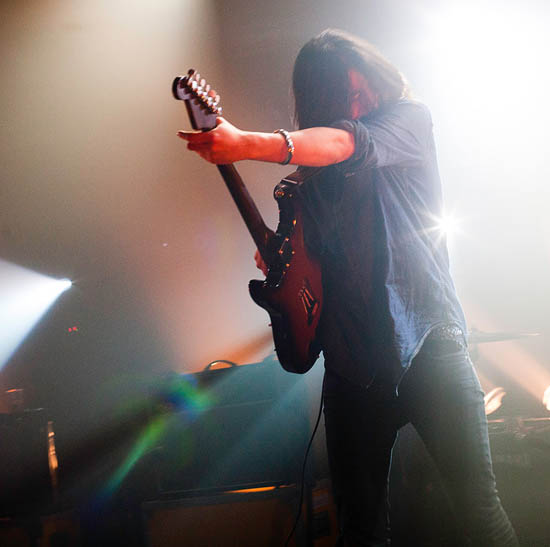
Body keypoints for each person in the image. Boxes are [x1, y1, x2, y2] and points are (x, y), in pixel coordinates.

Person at [178, 29, 518, 547]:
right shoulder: (309, 182)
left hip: (430, 345)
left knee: (479, 514)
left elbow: (345, 142)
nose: (363, 102)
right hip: (352, 364)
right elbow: (309, 270)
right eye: (348, 95)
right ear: (323, 98)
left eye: (367, 89)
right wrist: (280, 259)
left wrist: (246, 143)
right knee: (359, 532)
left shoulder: (409, 119)